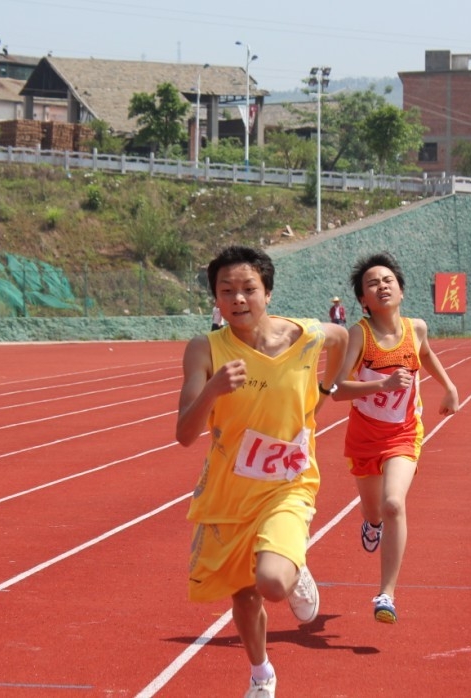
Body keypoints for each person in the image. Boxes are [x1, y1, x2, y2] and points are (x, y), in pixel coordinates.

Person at [176, 245, 348, 698]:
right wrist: (212, 389)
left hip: (288, 484)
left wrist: (326, 390)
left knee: (271, 582)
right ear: (215, 298)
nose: (237, 299)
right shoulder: (205, 349)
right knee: (243, 594)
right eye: (225, 290)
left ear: (267, 293)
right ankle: (261, 675)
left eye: (248, 289)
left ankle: (295, 565)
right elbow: (184, 433)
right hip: (229, 491)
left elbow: (342, 339)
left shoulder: (307, 335)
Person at [330, 252, 459, 625]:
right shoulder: (360, 334)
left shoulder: (415, 328)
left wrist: (448, 387)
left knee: (393, 504)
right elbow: (337, 389)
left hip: (403, 433)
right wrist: (384, 383)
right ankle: (370, 524)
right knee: (374, 512)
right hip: (364, 437)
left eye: (388, 280)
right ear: (362, 300)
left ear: (401, 289)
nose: (382, 286)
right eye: (372, 283)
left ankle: (386, 593)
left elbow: (427, 354)